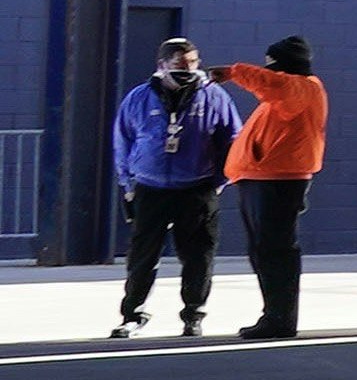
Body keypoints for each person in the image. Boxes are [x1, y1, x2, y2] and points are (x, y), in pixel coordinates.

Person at [108, 36, 244, 338]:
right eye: (179, 66)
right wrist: (127, 183)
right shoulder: (139, 98)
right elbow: (123, 140)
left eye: (193, 64)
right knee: (143, 256)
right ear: (161, 66)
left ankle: (193, 313)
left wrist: (221, 181)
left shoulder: (214, 96)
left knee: (198, 255)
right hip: (150, 187)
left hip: (196, 189)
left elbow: (233, 138)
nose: (188, 70)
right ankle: (132, 314)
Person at [219, 34, 324, 342]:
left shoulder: (299, 88)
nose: (270, 71)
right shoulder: (292, 94)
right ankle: (274, 315)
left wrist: (232, 72)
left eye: (272, 64)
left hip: (277, 180)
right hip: (266, 178)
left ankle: (279, 319)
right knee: (265, 251)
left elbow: (273, 83)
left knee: (274, 251)